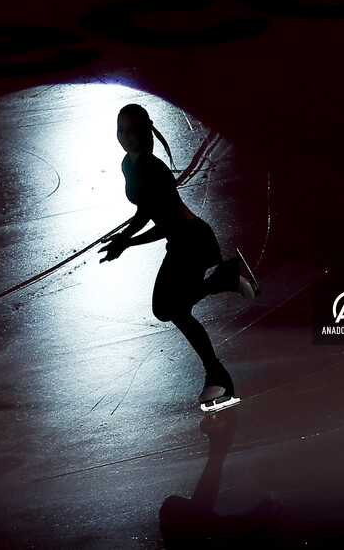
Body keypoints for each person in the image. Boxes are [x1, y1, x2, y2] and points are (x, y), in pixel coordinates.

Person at [99, 104, 260, 411]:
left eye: (133, 130)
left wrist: (127, 243)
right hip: (181, 242)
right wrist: (124, 237)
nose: (126, 137)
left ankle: (217, 375)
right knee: (168, 308)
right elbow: (145, 211)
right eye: (121, 130)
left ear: (146, 130)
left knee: (170, 308)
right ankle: (224, 283)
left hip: (193, 241)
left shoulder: (155, 170)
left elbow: (166, 223)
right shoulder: (128, 164)